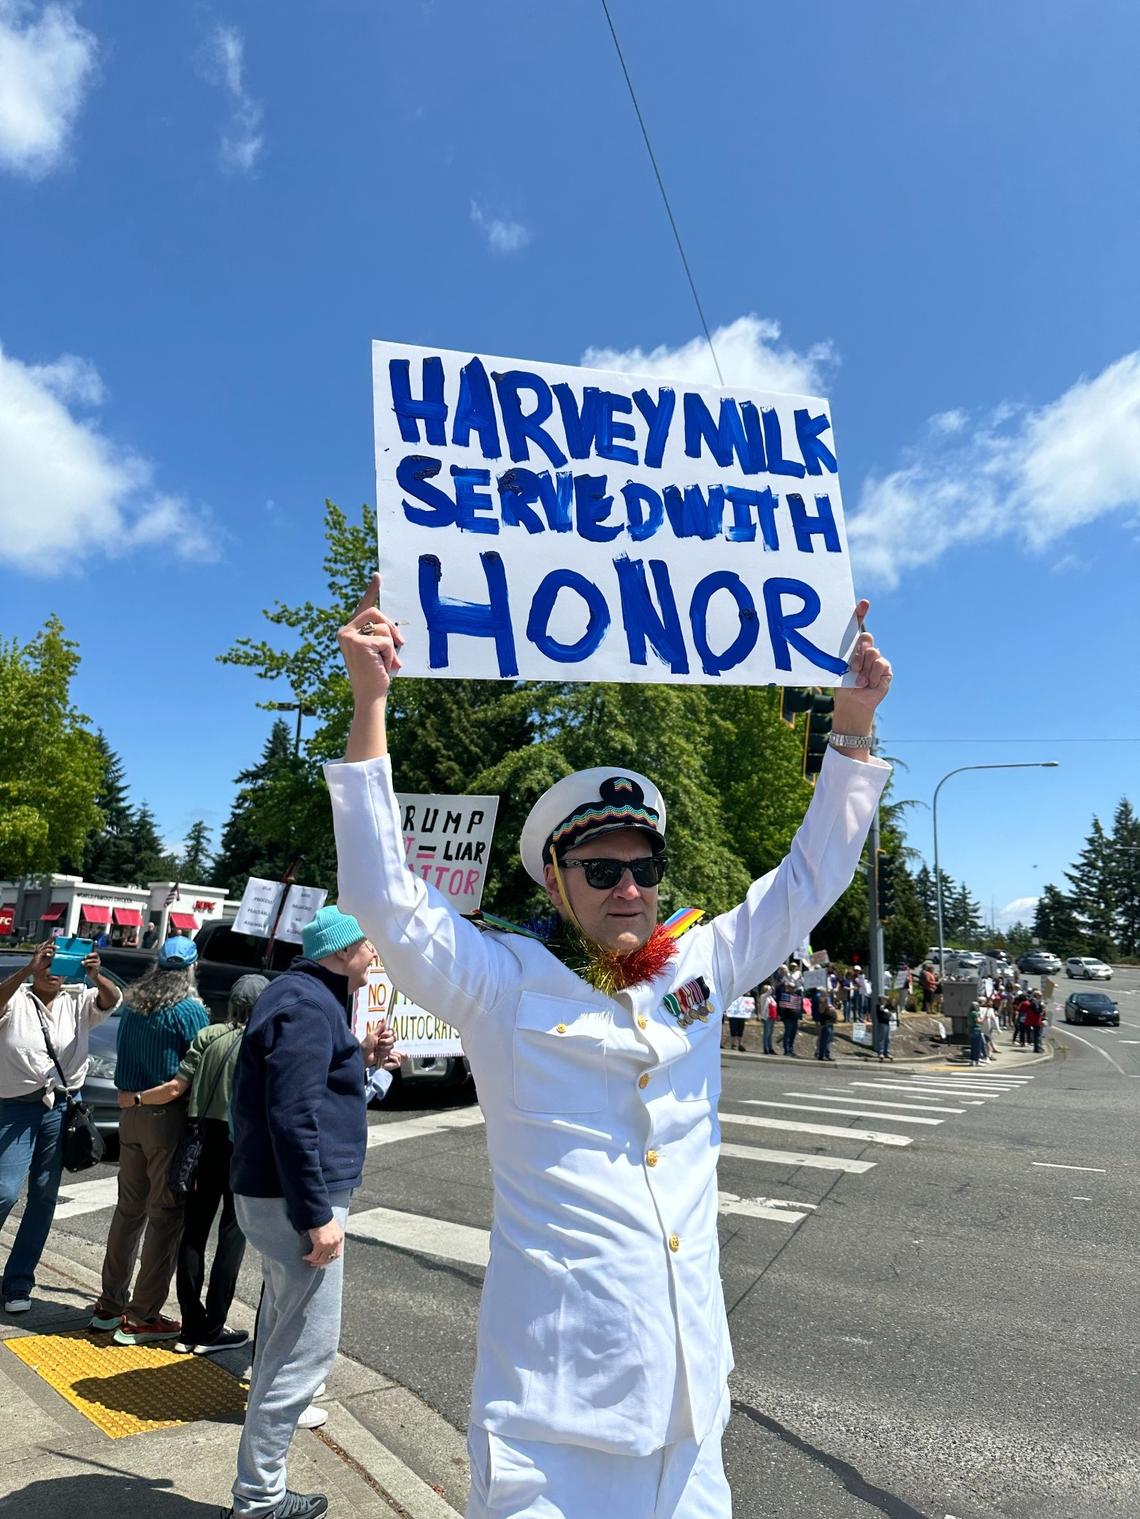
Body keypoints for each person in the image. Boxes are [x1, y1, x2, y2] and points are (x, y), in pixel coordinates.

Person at [326, 577, 892, 1519]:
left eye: (643, 866)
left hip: (691, 1408)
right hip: (552, 1425)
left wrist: (851, 731)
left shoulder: (700, 966)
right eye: (600, 868)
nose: (627, 887)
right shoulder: (501, 984)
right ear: (556, 880)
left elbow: (805, 882)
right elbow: (384, 894)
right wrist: (371, 700)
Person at [225, 908, 396, 1519]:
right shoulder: (305, 1005)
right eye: (367, 944)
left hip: (278, 1195)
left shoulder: (302, 997)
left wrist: (363, 1058)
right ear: (342, 950)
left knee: (280, 1342)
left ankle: (259, 1491)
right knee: (304, 1353)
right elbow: (292, 1117)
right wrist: (316, 1213)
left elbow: (305, 1094)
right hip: (296, 1200)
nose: (375, 954)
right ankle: (259, 1499)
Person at [118, 973, 269, 1355]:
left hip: (201, 1141)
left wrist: (135, 1100)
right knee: (233, 1235)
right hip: (243, 1143)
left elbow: (178, 1087)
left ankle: (191, 1321)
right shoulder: (261, 1043)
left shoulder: (209, 1036)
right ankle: (215, 1325)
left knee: (194, 1231)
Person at [90, 937, 209, 1344]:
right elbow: (200, 1065)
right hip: (165, 1117)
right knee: (165, 1215)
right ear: (191, 969)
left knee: (128, 1212)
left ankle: (110, 1304)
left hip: (130, 1116)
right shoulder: (189, 1010)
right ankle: (143, 1314)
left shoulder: (134, 1005)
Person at [0, 942, 121, 1313]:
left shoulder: (77, 999)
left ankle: (18, 1283)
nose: (53, 970)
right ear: (36, 964)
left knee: (44, 1194)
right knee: (4, 1191)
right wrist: (25, 970)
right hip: (14, 1107)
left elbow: (113, 998)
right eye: (46, 963)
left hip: (61, 1108)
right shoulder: (17, 998)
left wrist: (96, 975)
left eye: (59, 963)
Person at [776, 966, 803, 1056]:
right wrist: (780, 1014)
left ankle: (791, 1049)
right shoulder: (785, 995)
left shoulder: (796, 996)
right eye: (791, 987)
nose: (793, 988)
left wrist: (799, 1015)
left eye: (794, 987)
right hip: (788, 1017)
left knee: (793, 1034)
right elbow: (782, 1007)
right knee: (787, 1034)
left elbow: (799, 1007)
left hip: (795, 1018)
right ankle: (786, 1050)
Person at [815, 994, 837, 1061]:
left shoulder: (829, 1001)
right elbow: (821, 1010)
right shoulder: (822, 1003)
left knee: (829, 1040)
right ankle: (822, 1055)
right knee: (824, 1040)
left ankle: (827, 1054)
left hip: (831, 1023)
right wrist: (825, 1004)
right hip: (825, 1024)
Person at [873, 997, 894, 1061]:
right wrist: (885, 1005)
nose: (885, 1001)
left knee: (887, 1039)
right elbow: (882, 1009)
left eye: (885, 1000)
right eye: (883, 999)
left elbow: (891, 1007)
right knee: (881, 1038)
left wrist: (889, 1001)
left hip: (887, 1023)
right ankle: (881, 1052)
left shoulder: (886, 1007)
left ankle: (886, 1052)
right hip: (882, 1024)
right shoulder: (879, 1006)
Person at [761, 983, 777, 1055]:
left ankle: (770, 1047)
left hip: (772, 1017)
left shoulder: (771, 998)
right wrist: (773, 987)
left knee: (770, 1033)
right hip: (767, 1017)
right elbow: (768, 993)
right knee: (766, 1033)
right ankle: (765, 1048)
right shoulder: (763, 996)